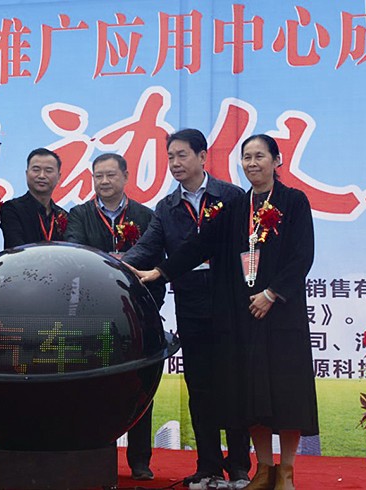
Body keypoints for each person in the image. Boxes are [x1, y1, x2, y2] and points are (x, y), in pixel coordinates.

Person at [130, 135, 318, 490]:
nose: (252, 163)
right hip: (245, 313)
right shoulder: (236, 206)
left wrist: (272, 294)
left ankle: (286, 472)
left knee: (286, 391)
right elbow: (200, 245)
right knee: (252, 393)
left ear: (276, 160)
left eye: (259, 156)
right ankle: (264, 469)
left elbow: (302, 256)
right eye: (246, 157)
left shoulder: (294, 201)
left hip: (281, 312)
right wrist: (160, 272)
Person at [122, 129, 251, 490]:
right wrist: (115, 265)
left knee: (234, 383)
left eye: (182, 155)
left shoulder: (231, 197)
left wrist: (251, 285)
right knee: (200, 385)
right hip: (191, 300)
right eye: (170, 157)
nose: (175, 163)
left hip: (230, 299)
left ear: (202, 156)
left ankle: (240, 467)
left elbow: (249, 248)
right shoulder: (166, 207)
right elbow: (147, 248)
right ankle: (208, 466)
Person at [64, 152, 163, 481]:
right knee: (91, 389)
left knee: (139, 387)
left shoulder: (145, 216)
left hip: (134, 318)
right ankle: (93, 458)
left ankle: (140, 461)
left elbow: (155, 265)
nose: (104, 182)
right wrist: (113, 264)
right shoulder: (79, 215)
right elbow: (74, 254)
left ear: (126, 177)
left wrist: (150, 308)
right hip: (92, 318)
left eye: (110, 175)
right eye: (98, 176)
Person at [0, 147, 67, 248]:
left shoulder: (63, 215)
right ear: (26, 174)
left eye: (48, 171)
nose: (41, 176)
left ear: (59, 177)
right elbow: (16, 248)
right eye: (36, 170)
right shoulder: (12, 209)